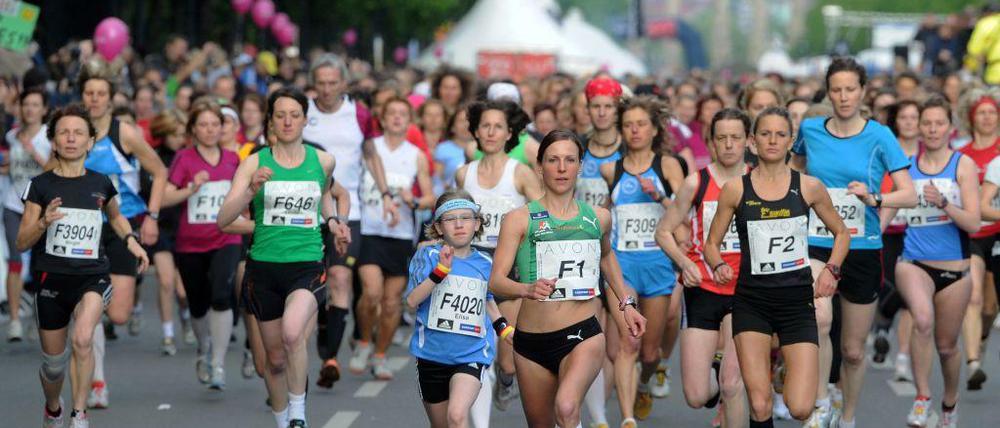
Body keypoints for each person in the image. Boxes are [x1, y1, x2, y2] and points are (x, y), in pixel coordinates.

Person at [488, 129, 646, 428]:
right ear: (540, 166)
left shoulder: (598, 217)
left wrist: (626, 303)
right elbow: (496, 281)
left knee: (567, 406)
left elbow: (606, 257)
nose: (562, 168)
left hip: (582, 333)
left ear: (580, 166)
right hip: (531, 340)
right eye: (553, 160)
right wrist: (526, 288)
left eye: (569, 160)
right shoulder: (519, 219)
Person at [790, 57, 917, 428]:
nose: (843, 97)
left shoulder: (880, 135)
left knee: (853, 351)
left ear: (862, 91)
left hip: (862, 247)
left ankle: (847, 418)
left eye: (850, 89)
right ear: (827, 93)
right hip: (817, 240)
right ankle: (820, 403)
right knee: (820, 316)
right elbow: (794, 169)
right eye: (836, 90)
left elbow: (908, 195)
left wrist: (875, 199)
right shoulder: (811, 129)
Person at [705, 107, 851, 428]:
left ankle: (783, 361)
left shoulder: (809, 187)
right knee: (759, 405)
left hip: (797, 303)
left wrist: (832, 270)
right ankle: (774, 359)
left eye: (780, 134)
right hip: (752, 302)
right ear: (753, 142)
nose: (773, 140)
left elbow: (842, 233)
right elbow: (711, 244)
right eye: (766, 134)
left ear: (791, 141)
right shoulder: (736, 189)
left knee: (800, 408)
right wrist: (717, 264)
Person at [217, 87, 347, 428]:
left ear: (305, 119)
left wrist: (333, 221)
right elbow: (223, 219)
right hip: (263, 268)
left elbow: (325, 195)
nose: (288, 121)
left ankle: (298, 413)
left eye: (294, 114)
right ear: (270, 121)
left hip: (306, 265)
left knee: (292, 334)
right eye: (280, 115)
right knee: (273, 360)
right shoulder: (254, 163)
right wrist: (250, 190)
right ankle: (282, 419)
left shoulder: (323, 161)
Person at [20, 104, 149, 428]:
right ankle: (54, 406)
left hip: (92, 276)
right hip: (51, 279)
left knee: (82, 339)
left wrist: (132, 242)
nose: (71, 139)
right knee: (53, 366)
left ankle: (79, 414)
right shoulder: (40, 186)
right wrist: (43, 223)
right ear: (53, 140)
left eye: (79, 132)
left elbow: (117, 217)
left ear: (90, 141)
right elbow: (22, 241)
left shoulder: (101, 183)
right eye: (64, 132)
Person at [302, 55, 397, 389]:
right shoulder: (304, 111)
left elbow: (371, 154)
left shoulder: (357, 113)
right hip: (304, 210)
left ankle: (330, 358)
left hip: (348, 210)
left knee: (341, 277)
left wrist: (386, 193)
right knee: (311, 283)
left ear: (343, 82)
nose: (327, 90)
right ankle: (321, 333)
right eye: (321, 83)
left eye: (333, 83)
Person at [78, 62, 168, 409]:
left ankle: (93, 339)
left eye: (101, 94)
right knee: (89, 306)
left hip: (123, 227)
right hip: (83, 228)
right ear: (82, 96)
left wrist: (153, 217)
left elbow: (159, 172)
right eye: (89, 93)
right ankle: (97, 380)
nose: (95, 99)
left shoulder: (125, 133)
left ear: (111, 98)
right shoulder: (72, 132)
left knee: (116, 313)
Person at [886, 96, 979, 428]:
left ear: (950, 127)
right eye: (927, 123)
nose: (933, 129)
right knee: (921, 319)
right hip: (913, 261)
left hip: (955, 268)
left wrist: (945, 204)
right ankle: (923, 398)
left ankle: (949, 403)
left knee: (947, 347)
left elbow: (973, 223)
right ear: (919, 128)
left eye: (940, 123)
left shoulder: (962, 165)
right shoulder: (906, 167)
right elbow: (888, 211)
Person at [656, 108, 751, 427]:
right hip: (703, 289)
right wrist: (684, 263)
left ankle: (729, 389)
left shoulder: (760, 181)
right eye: (721, 138)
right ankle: (719, 379)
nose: (728, 145)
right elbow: (664, 232)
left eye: (735, 138)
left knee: (732, 383)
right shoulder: (696, 182)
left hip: (746, 292)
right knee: (696, 396)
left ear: (748, 141)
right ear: (710, 143)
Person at [602, 95, 685, 424]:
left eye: (641, 125)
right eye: (628, 125)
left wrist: (660, 197)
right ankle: (626, 418)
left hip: (659, 265)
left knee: (650, 353)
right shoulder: (613, 169)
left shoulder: (668, 166)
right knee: (628, 342)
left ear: (654, 129)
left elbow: (684, 216)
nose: (634, 131)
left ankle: (646, 381)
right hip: (623, 266)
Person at [455, 99, 542, 411]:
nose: (491, 132)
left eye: (498, 127)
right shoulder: (464, 174)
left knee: (508, 357)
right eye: (485, 126)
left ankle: (506, 379)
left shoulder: (520, 173)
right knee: (474, 351)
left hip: (509, 270)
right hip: (471, 267)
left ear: (509, 133)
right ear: (476, 131)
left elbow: (542, 217)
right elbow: (455, 220)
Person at [350, 96, 434, 380]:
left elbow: (430, 198)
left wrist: (414, 201)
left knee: (390, 303)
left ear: (410, 121)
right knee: (371, 292)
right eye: (392, 114)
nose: (397, 118)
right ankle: (363, 341)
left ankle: (380, 355)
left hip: (400, 236)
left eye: (403, 114)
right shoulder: (370, 149)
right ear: (383, 119)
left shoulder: (416, 155)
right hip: (370, 231)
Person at [161, 101, 243, 390]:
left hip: (227, 237)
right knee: (197, 305)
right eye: (203, 125)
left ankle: (218, 363)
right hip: (191, 244)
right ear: (193, 129)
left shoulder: (234, 159)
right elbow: (164, 198)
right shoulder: (184, 159)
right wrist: (191, 189)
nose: (209, 130)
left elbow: (246, 196)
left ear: (223, 128)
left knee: (221, 295)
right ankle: (203, 349)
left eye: (214, 124)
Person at [405, 189, 504, 428]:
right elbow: (412, 301)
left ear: (477, 223)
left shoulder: (486, 263)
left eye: (466, 217)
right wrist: (440, 271)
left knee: (457, 416)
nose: (459, 225)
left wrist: (505, 330)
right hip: (431, 354)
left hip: (471, 353)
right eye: (450, 219)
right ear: (439, 227)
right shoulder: (427, 255)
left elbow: (488, 301)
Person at [955, 88, 1000, 391]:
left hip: (996, 233)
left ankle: (980, 339)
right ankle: (972, 363)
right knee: (972, 295)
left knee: (989, 307)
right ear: (972, 118)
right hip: (970, 232)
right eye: (981, 112)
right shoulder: (962, 153)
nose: (987, 117)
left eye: (992, 112)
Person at [3, 87, 50, 342]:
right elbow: (11, 168)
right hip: (14, 205)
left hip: (40, 209)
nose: (30, 109)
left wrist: (32, 150)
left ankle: (40, 314)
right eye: (26, 105)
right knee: (15, 259)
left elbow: (53, 169)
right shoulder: (12, 136)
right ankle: (14, 320)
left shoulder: (48, 137)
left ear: (43, 109)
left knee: (42, 264)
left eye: (35, 105)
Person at [145, 108, 191, 355]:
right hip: (161, 226)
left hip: (184, 226)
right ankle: (167, 335)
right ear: (164, 133)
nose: (178, 138)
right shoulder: (153, 159)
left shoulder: (187, 158)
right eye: (174, 133)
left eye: (182, 134)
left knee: (183, 290)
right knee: (165, 281)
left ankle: (185, 315)